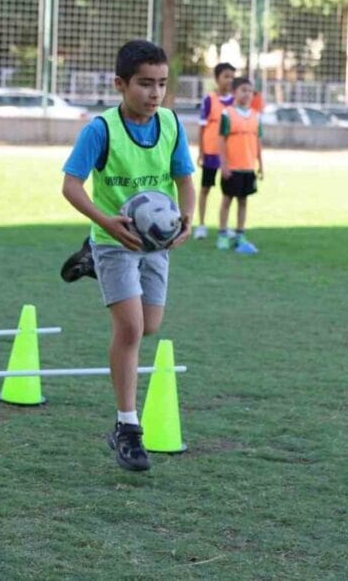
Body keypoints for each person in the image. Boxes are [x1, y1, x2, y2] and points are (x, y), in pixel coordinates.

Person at [61, 40, 196, 472]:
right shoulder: (101, 130)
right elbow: (71, 186)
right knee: (132, 329)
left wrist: (187, 218)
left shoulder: (172, 125)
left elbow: (185, 179)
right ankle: (126, 426)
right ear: (120, 84)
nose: (154, 94)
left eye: (161, 84)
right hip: (113, 239)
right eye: (144, 84)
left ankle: (90, 266)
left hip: (154, 242)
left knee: (151, 325)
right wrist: (105, 222)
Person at [217, 77, 264, 254]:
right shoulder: (227, 113)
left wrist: (260, 164)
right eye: (243, 90)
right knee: (227, 200)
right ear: (234, 92)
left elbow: (258, 141)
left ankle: (239, 234)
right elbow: (221, 140)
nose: (247, 94)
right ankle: (222, 234)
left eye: (250, 91)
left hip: (248, 167)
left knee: (243, 201)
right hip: (232, 167)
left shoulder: (256, 116)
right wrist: (224, 165)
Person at [194, 62, 236, 239]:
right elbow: (202, 127)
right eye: (226, 76)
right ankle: (201, 225)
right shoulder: (209, 100)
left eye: (232, 77)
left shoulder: (236, 100)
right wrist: (201, 152)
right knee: (205, 188)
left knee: (229, 192)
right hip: (211, 151)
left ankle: (224, 226)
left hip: (230, 153)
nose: (229, 80)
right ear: (217, 78)